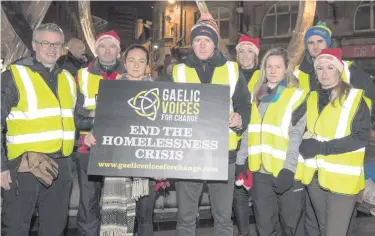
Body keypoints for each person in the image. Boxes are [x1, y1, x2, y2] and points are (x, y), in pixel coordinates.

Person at [157, 13, 251, 236]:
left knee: (223, 219)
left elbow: (244, 105)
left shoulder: (232, 70)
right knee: (186, 220)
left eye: (207, 40)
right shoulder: (177, 71)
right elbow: (161, 107)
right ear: (192, 43)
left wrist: (240, 119)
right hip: (188, 154)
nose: (202, 44)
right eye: (197, 39)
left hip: (223, 153)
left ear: (214, 43)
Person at [294, 21, 375, 236]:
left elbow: (360, 138)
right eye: (319, 68)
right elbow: (291, 123)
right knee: (322, 229)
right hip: (315, 177)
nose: (324, 72)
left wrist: (320, 147)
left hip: (342, 181)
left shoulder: (356, 98)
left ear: (339, 70)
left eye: (330, 68)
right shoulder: (311, 97)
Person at [1, 23, 76, 235]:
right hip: (23, 166)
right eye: (46, 43)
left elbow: (76, 119)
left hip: (60, 166)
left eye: (57, 44)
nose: (52, 48)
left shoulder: (68, 79)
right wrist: (1, 167)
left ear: (63, 48)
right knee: (16, 227)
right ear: (34, 45)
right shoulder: (14, 76)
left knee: (54, 228)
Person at [84, 44, 161, 236]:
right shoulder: (111, 90)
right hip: (116, 163)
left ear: (147, 66)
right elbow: (103, 122)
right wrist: (92, 135)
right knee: (117, 214)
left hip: (147, 165)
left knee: (145, 219)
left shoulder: (159, 92)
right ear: (124, 63)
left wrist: (163, 163)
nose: (136, 65)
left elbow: (164, 130)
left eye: (141, 61)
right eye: (131, 60)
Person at [248, 47, 307, 236]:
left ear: (286, 70)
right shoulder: (256, 96)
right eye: (269, 66)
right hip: (261, 173)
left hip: (286, 172)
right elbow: (251, 131)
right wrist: (242, 162)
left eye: (278, 67)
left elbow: (297, 136)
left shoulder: (296, 96)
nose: (273, 71)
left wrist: (289, 169)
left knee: (291, 227)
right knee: (265, 227)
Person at [74, 30, 125, 236]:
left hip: (120, 150)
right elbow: (74, 116)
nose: (107, 51)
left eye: (112, 46)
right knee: (88, 204)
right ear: (96, 50)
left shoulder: (129, 73)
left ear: (118, 51)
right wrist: (94, 117)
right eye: (102, 46)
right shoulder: (81, 75)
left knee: (119, 204)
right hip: (89, 148)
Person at [233, 34, 261, 236]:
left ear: (256, 55)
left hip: (260, 142)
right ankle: (244, 232)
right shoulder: (230, 74)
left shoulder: (265, 76)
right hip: (236, 140)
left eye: (249, 51)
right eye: (241, 51)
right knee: (239, 192)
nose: (245, 55)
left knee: (260, 192)